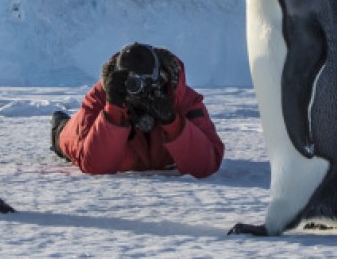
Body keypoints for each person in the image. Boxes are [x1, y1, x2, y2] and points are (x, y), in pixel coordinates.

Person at [50, 43, 224, 178]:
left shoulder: (182, 98)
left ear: (161, 80)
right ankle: (58, 125)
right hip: (96, 131)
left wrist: (173, 121)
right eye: (132, 84)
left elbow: (207, 165)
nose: (138, 91)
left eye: (145, 83)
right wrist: (113, 110)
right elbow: (94, 165)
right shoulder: (103, 96)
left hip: (148, 151)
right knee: (66, 137)